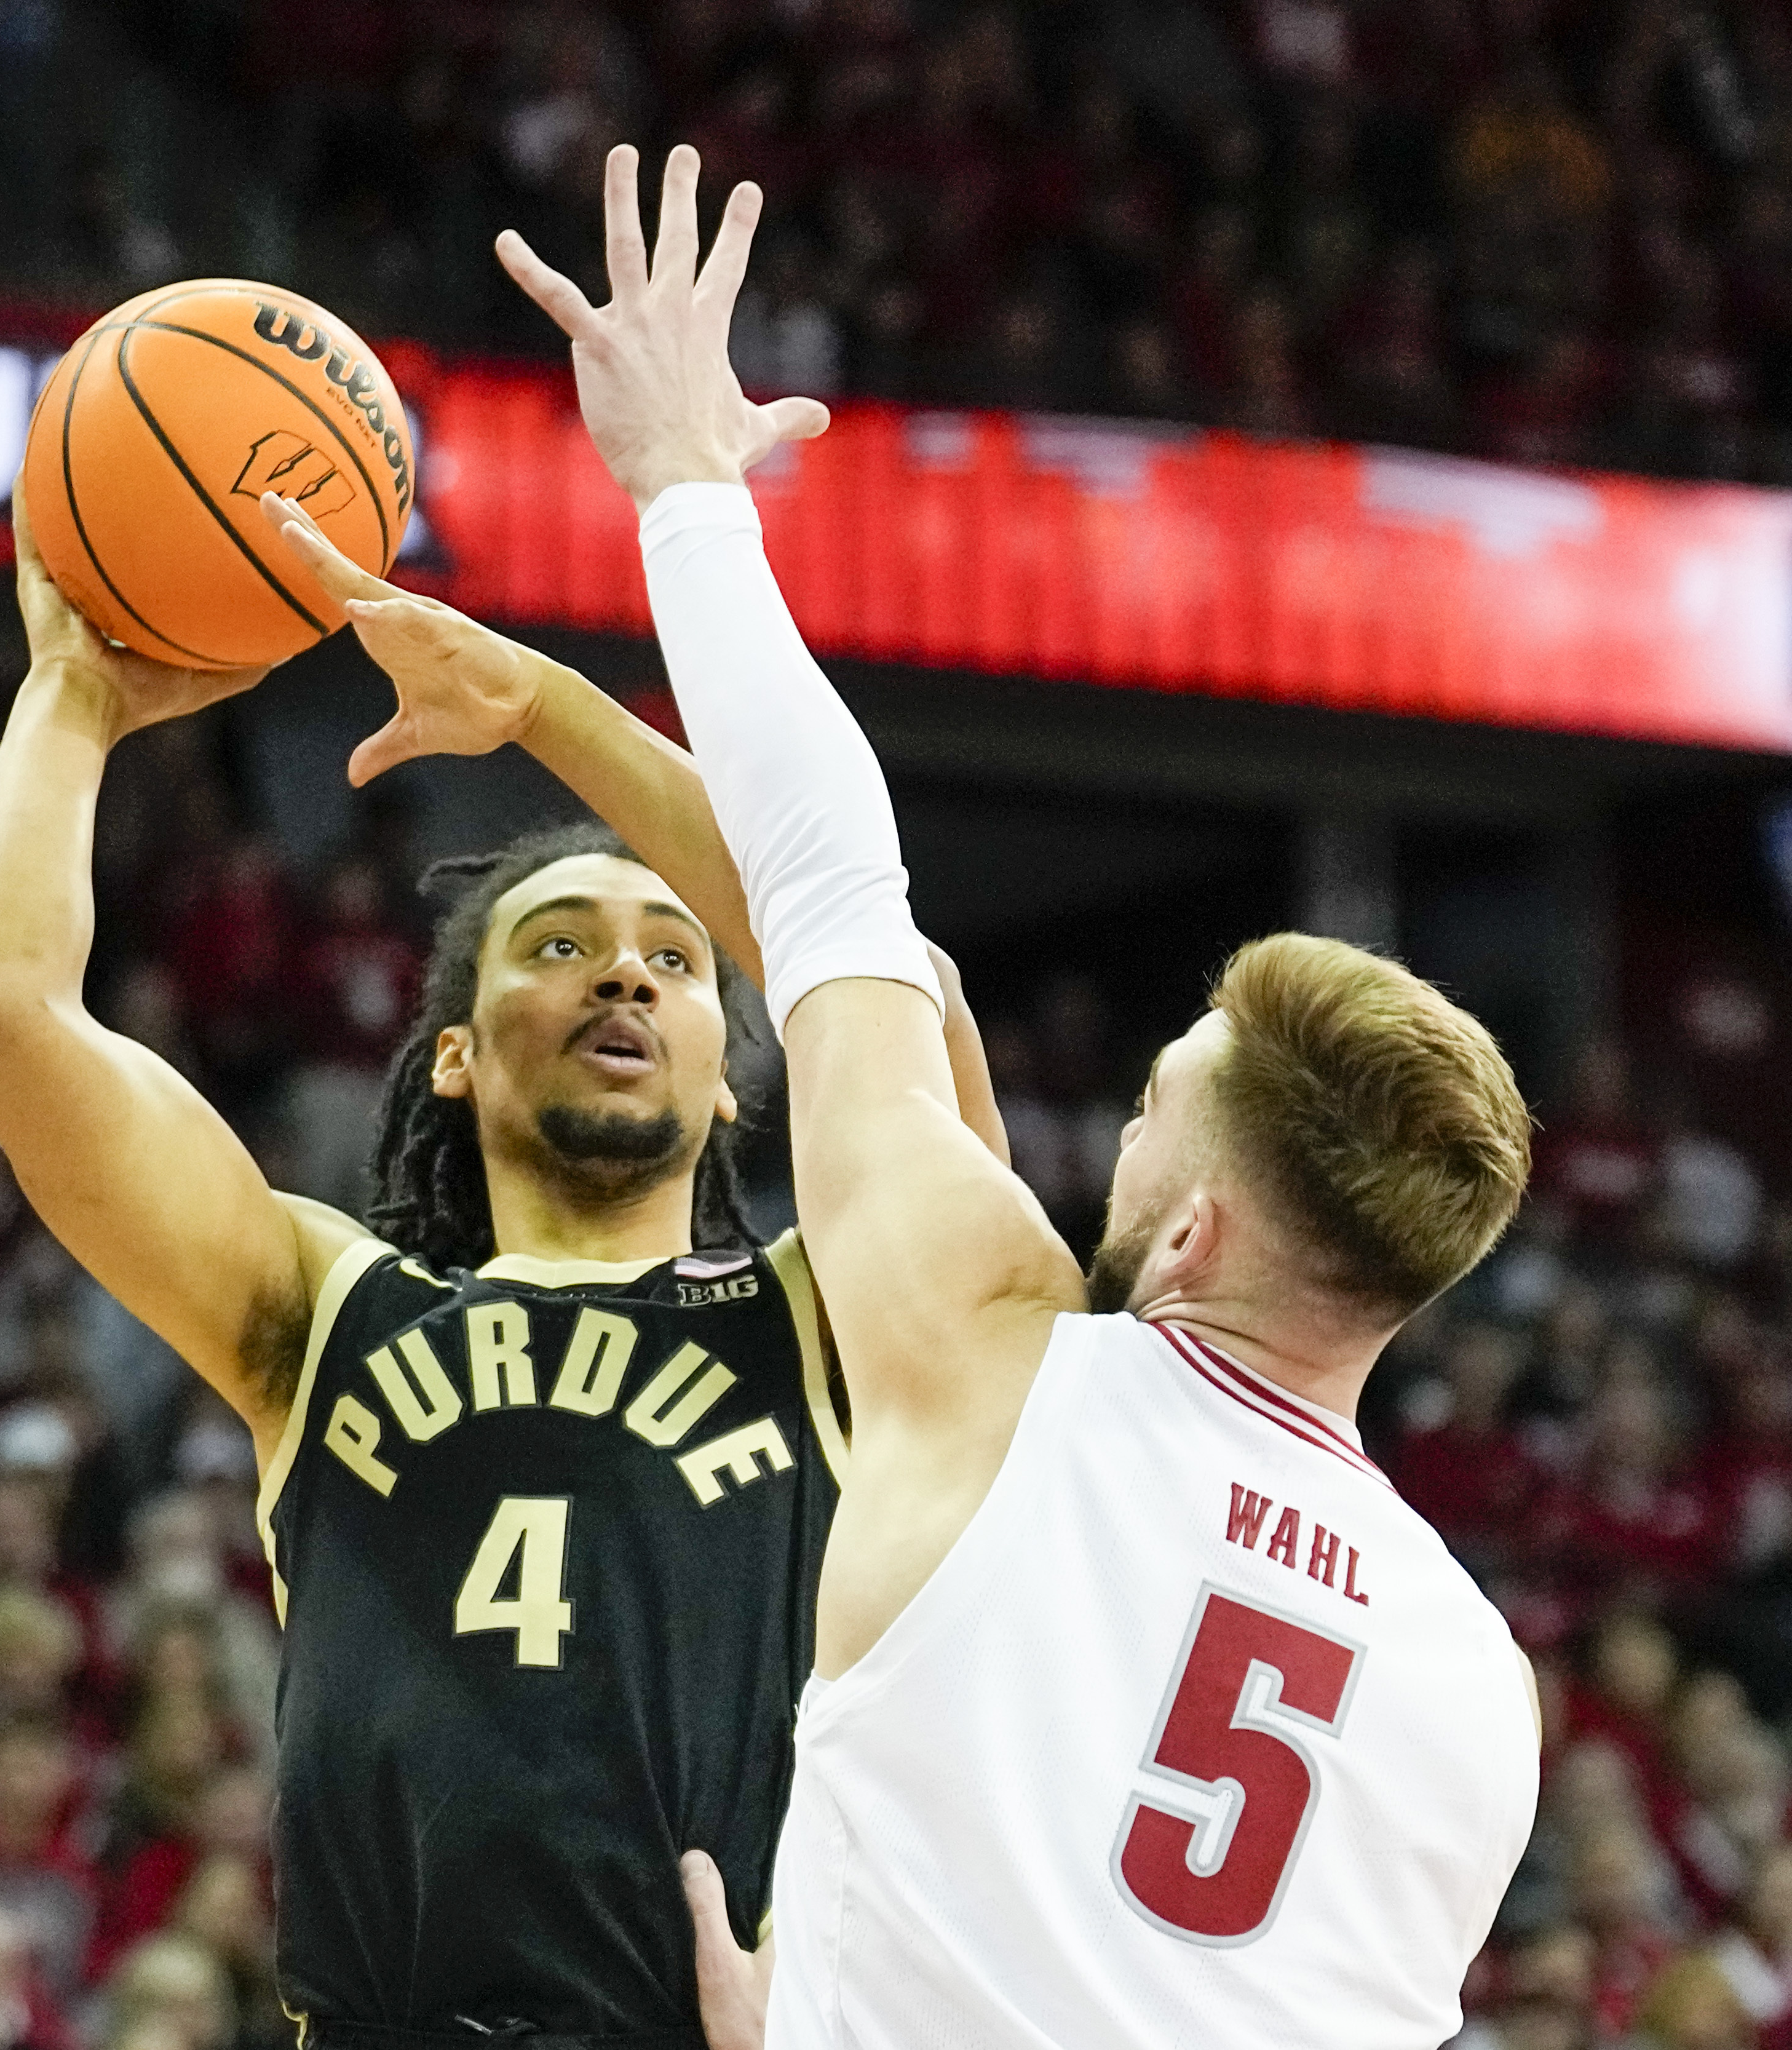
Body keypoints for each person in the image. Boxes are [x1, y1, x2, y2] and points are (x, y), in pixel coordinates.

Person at [480, 141, 1542, 2044]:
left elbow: (832, 891)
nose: (1112, 1137)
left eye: (1152, 1105)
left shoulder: (994, 1347)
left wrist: (685, 495)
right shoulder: (1476, 1684)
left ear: (1198, 1226)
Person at [0, 463, 1003, 2036]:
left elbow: (884, 968)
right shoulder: (320, 1303)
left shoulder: (840, 1313)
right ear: (454, 1056)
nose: (623, 978)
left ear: (733, 1058)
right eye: (559, 947)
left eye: (675, 962)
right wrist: (76, 693)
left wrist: (546, 707)